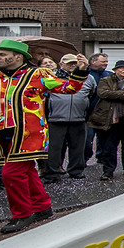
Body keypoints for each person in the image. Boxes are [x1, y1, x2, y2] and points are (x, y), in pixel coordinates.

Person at [0, 40, 89, 233]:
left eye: (2, 54)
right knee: (27, 170)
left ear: (18, 56)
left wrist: (80, 71)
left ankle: (22, 214)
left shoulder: (38, 74)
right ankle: (42, 206)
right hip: (0, 134)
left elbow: (68, 88)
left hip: (30, 134)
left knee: (10, 173)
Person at [87, 59, 124, 181]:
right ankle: (108, 171)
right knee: (109, 147)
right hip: (110, 120)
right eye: (122, 68)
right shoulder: (105, 80)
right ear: (115, 70)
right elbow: (103, 93)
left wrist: (116, 94)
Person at [44, 53, 91, 182]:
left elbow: (92, 95)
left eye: (75, 63)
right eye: (69, 63)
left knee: (77, 148)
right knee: (54, 149)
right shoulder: (52, 77)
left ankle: (76, 171)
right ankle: (52, 173)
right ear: (61, 64)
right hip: (56, 119)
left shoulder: (88, 78)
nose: (73, 65)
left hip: (79, 118)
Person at [83, 52, 111, 161]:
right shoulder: (85, 74)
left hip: (104, 113)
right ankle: (84, 158)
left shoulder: (109, 75)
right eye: (103, 61)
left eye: (106, 62)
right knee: (87, 139)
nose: (106, 64)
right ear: (93, 61)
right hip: (89, 113)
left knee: (104, 139)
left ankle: (102, 157)